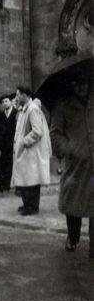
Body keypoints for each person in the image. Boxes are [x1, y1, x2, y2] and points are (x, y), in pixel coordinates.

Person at [50, 74, 94, 258]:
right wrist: (70, 148)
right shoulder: (62, 105)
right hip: (75, 166)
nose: (81, 87)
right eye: (76, 83)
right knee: (73, 203)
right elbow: (55, 134)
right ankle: (73, 236)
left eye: (84, 82)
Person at [12, 86, 51, 216]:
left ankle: (32, 207)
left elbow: (37, 131)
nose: (16, 97)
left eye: (18, 94)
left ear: (25, 95)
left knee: (31, 180)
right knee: (25, 179)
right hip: (24, 152)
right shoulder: (24, 109)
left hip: (30, 152)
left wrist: (24, 142)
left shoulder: (33, 109)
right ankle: (27, 204)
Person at [0, 93, 18, 192]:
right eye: (3, 102)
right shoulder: (1, 115)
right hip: (3, 145)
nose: (4, 103)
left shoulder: (16, 113)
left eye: (6, 101)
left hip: (13, 143)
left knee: (12, 164)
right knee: (4, 164)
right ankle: (3, 185)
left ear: (11, 102)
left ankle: (13, 185)